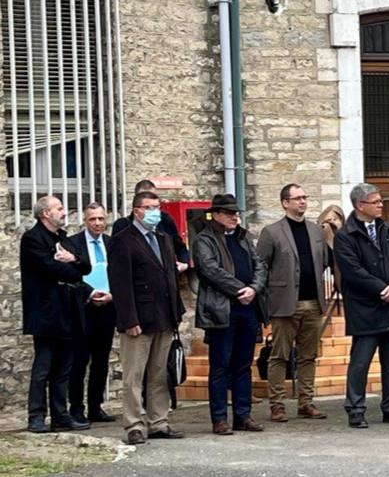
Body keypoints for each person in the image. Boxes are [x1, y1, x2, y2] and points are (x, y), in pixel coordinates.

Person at [107, 191, 185, 445]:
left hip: (163, 317)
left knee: (159, 374)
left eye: (157, 207)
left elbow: (170, 276)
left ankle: (158, 421)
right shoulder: (123, 240)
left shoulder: (163, 238)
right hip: (139, 320)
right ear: (136, 211)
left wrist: (176, 313)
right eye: (149, 207)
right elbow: (120, 284)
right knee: (134, 376)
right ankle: (134, 424)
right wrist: (129, 320)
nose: (155, 212)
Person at [335, 183, 389, 428]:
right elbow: (353, 271)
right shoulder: (345, 236)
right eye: (375, 201)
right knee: (361, 361)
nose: (381, 205)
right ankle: (356, 408)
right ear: (360, 205)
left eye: (380, 201)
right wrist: (382, 289)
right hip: (365, 307)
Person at [192, 194, 268, 435]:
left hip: (247, 309)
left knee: (244, 365)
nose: (234, 217)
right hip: (221, 310)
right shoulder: (204, 239)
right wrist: (239, 290)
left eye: (236, 213)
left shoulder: (244, 237)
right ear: (215, 215)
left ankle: (243, 416)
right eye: (228, 213)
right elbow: (209, 270)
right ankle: (219, 418)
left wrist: (254, 289)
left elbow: (260, 265)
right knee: (220, 365)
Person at [256, 183, 330, 422]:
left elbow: (325, 261)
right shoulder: (272, 232)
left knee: (308, 356)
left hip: (313, 303)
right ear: (285, 203)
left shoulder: (316, 231)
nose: (303, 202)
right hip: (285, 304)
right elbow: (261, 266)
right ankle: (277, 404)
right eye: (297, 198)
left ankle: (306, 402)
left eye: (305, 197)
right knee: (279, 356)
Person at [21, 195, 92, 433]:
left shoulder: (64, 239)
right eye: (59, 208)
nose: (63, 212)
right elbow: (48, 267)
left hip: (68, 310)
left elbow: (85, 267)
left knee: (64, 367)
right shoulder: (33, 239)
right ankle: (36, 415)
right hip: (46, 312)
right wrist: (71, 268)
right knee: (44, 366)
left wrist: (73, 259)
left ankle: (60, 415)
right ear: (45, 214)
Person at [68, 203, 117, 424]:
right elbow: (72, 276)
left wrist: (111, 294)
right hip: (83, 308)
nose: (97, 223)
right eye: (92, 219)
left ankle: (96, 406)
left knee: (101, 359)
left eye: (100, 219)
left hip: (107, 307)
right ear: (85, 221)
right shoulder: (73, 244)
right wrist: (90, 293)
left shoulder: (111, 243)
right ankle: (76, 407)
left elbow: (119, 273)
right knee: (79, 360)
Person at [112, 179, 189, 268]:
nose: (149, 201)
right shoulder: (122, 226)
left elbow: (179, 246)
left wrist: (184, 264)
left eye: (152, 197)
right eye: (147, 205)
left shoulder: (165, 220)